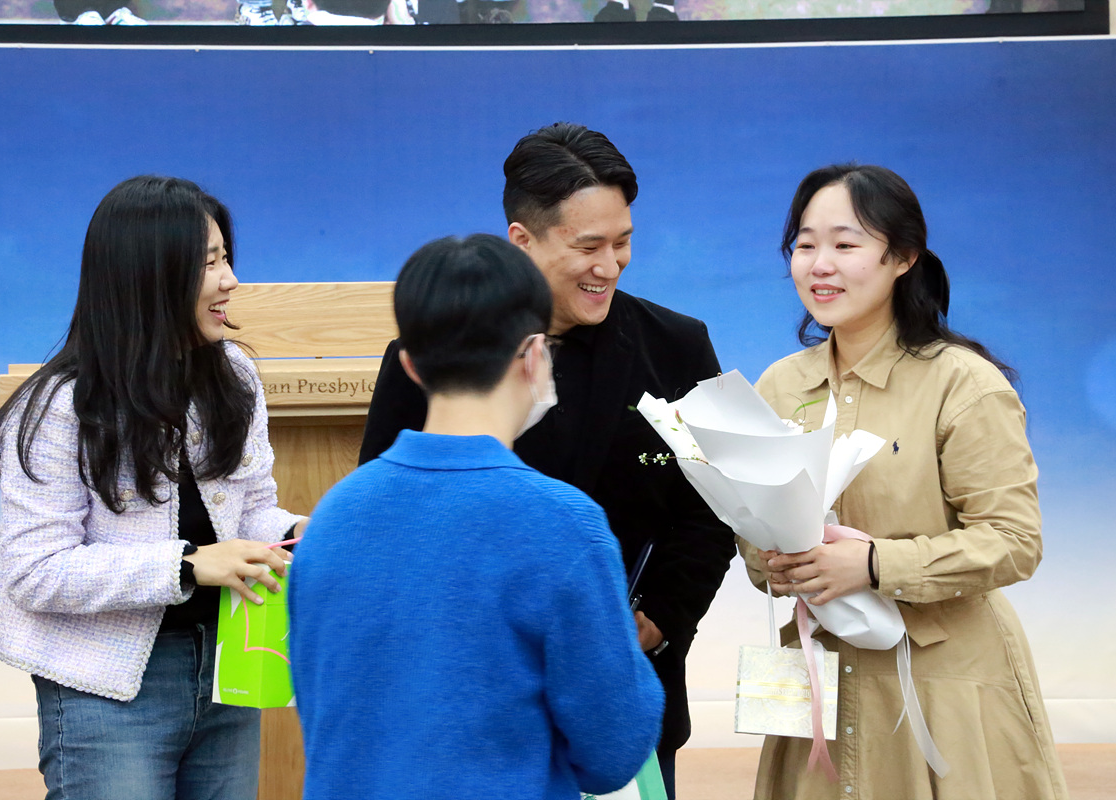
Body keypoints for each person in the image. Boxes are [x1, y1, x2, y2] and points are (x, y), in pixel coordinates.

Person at [358, 122, 735, 799]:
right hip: (466, 710)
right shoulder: (438, 358)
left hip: (623, 708)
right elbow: (389, 517)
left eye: (623, 242)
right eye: (588, 246)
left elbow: (710, 512)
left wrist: (657, 621)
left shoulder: (677, 347)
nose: (610, 265)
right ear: (521, 240)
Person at [290, 234, 663, 798]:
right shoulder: (565, 526)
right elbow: (612, 752)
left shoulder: (331, 519)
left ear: (410, 365)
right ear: (536, 356)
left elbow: (323, 712)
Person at [742, 164, 1068, 799]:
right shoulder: (779, 385)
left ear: (903, 257)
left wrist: (872, 565)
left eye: (845, 244)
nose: (820, 265)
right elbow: (754, 540)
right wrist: (775, 562)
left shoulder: (963, 383)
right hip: (818, 678)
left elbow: (1013, 541)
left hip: (943, 684)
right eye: (805, 245)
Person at [0, 175, 306, 800]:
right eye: (209, 263)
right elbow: (34, 572)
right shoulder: (58, 408)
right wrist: (186, 564)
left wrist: (294, 532)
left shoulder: (235, 375)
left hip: (227, 672)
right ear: (149, 276)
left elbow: (249, 513)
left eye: (227, 257)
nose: (231, 280)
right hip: (105, 690)